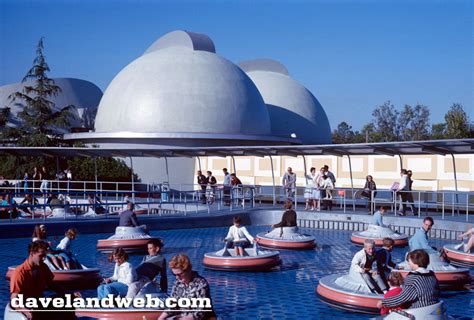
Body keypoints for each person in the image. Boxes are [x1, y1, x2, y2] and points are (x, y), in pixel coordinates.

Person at [10, 241, 77, 320]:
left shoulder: (43, 267)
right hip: (27, 305)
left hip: (39, 302)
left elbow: (52, 284)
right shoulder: (20, 272)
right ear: (32, 254)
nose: (44, 258)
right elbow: (14, 297)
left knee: (69, 297)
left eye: (45, 256)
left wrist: (69, 294)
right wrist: (24, 310)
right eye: (41, 256)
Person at [158, 254, 215, 320]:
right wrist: (160, 318)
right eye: (174, 274)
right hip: (184, 316)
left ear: (188, 270)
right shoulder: (177, 283)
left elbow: (200, 312)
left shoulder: (201, 284)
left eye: (179, 274)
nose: (177, 277)